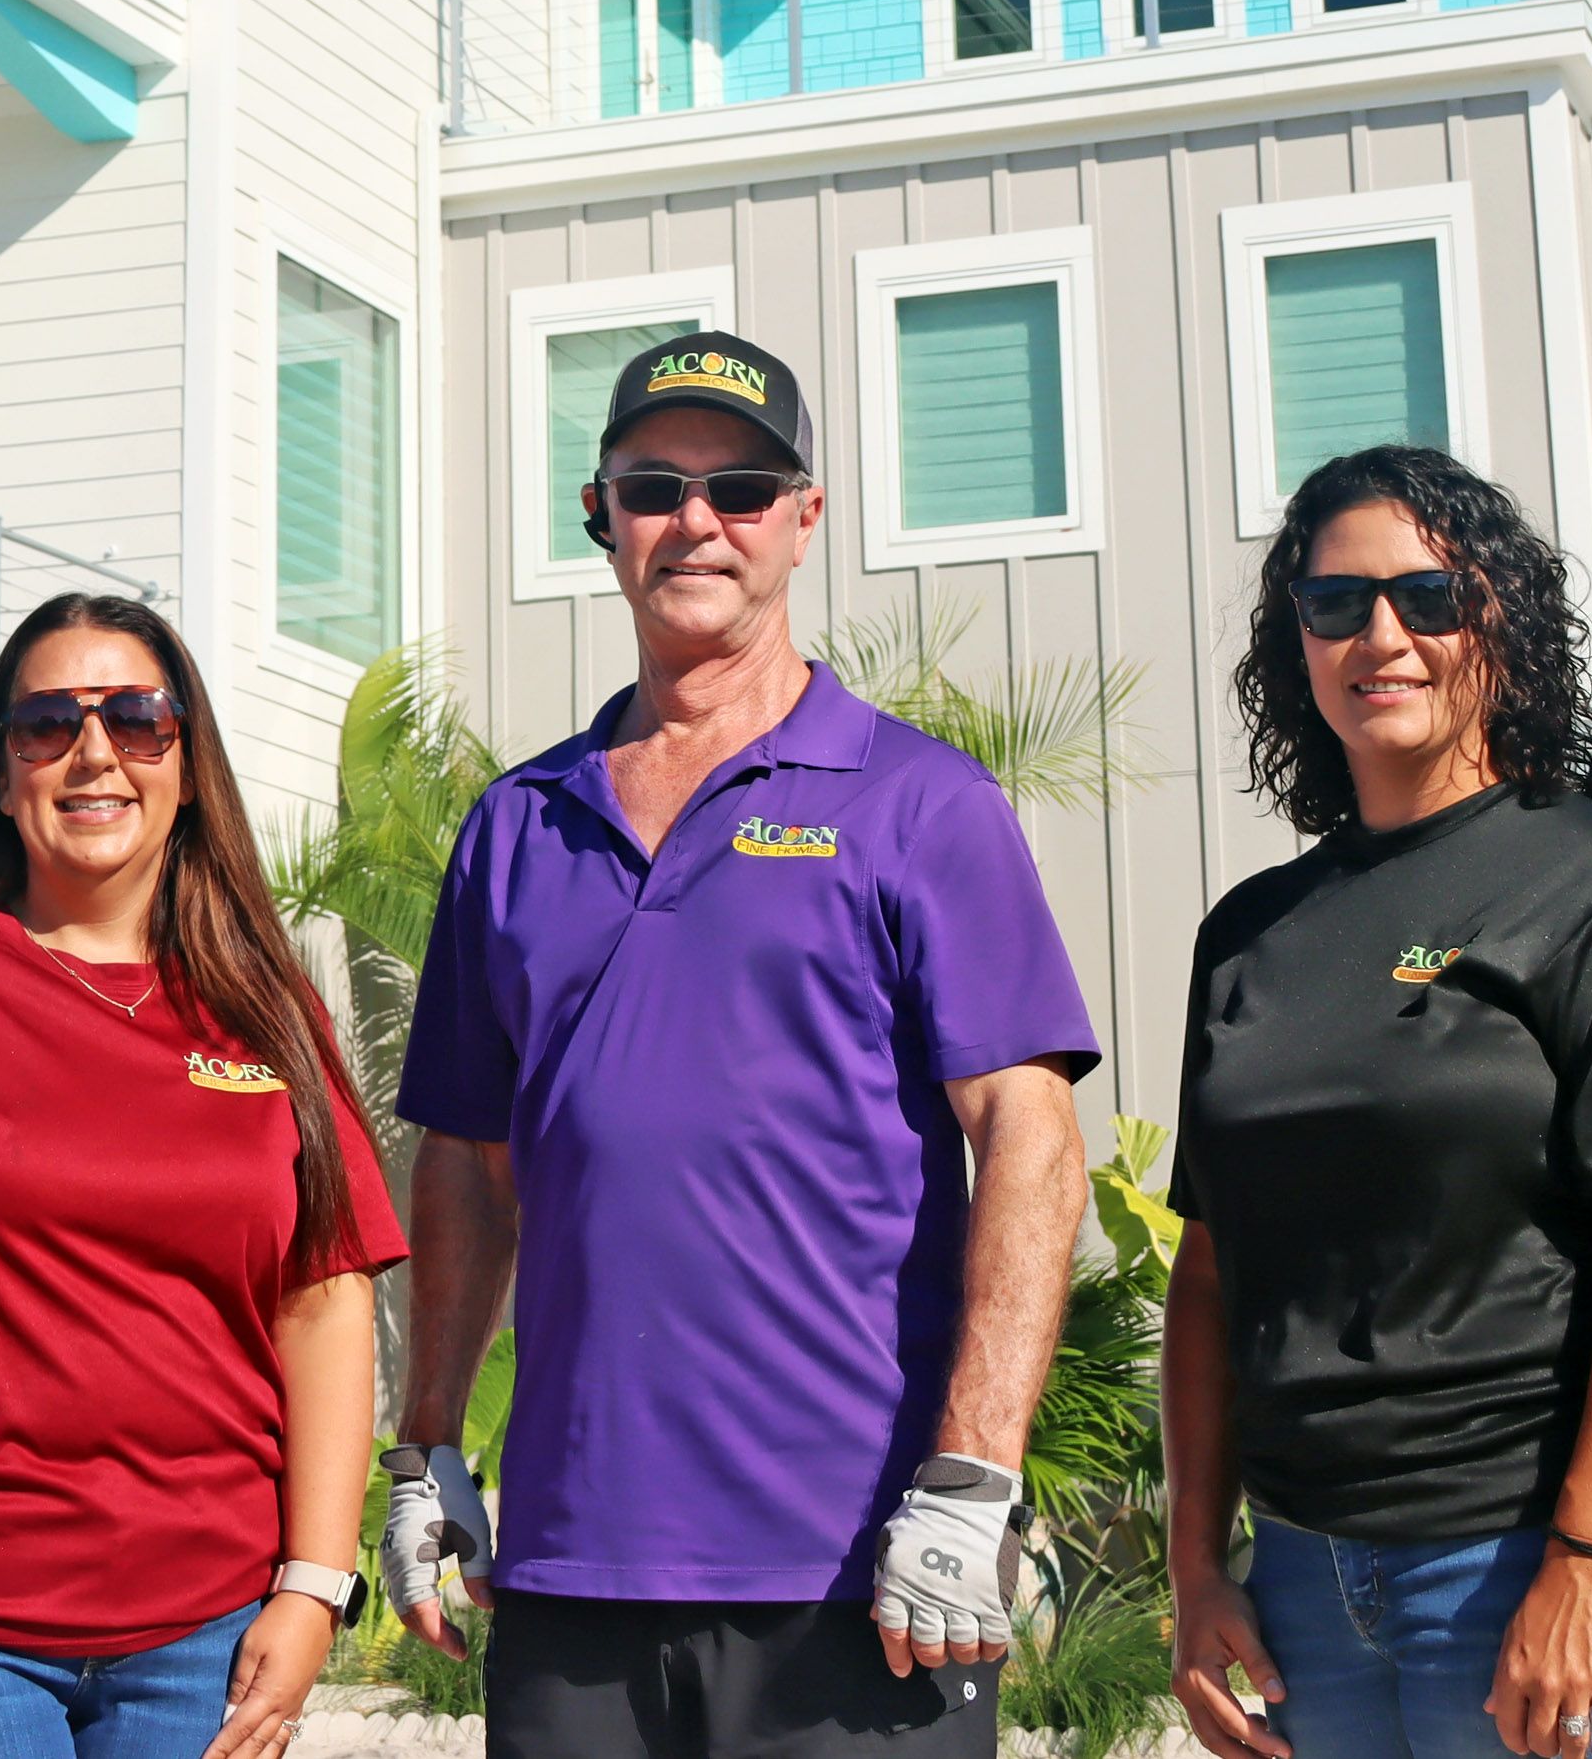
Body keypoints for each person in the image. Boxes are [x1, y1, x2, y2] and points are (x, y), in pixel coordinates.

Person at [384, 329, 1099, 1759]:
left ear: (804, 516)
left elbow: (1030, 1137)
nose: (697, 519)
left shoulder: (917, 802)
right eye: (653, 483)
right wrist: (429, 1449)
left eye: (744, 485)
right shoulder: (519, 824)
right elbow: (466, 1160)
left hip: (864, 1570)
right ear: (602, 517)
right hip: (573, 1569)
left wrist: (972, 1475)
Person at [1162, 444, 1592, 1759]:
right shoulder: (1251, 932)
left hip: (1528, 1556)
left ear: (1500, 618)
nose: (1381, 634)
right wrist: (1199, 1568)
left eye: (1428, 596)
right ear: (1294, 644)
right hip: (1300, 1585)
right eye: (1333, 604)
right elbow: (1210, 1266)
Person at [0, 591, 401, 1759]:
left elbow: (325, 1301)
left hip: (208, 1631)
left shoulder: (269, 1011)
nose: (93, 752)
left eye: (136, 719)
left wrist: (314, 1587)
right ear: (2, 778)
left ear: (187, 763)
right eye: (45, 724)